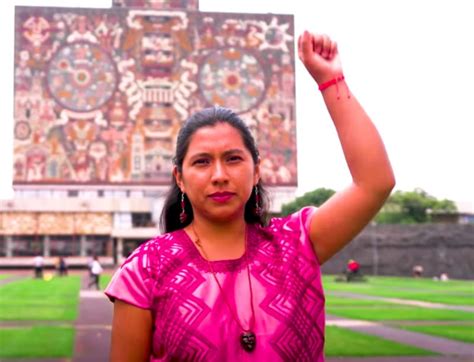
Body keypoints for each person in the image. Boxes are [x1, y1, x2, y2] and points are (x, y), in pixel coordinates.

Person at [105, 30, 395, 361]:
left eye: (233, 159)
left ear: (256, 170)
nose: (219, 175)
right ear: (180, 179)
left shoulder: (296, 245)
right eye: (202, 162)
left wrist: (331, 81)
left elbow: (374, 182)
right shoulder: (145, 270)